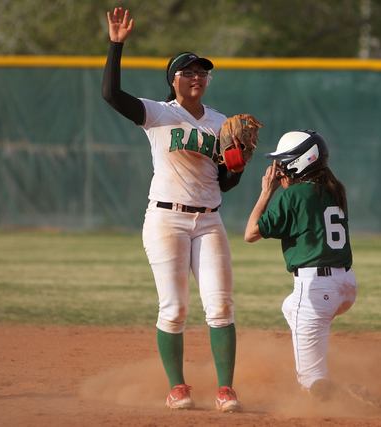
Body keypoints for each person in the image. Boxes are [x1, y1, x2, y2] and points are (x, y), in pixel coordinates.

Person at [102, 7, 244, 412]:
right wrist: (116, 45)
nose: (197, 77)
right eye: (188, 72)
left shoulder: (221, 123)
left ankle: (226, 389)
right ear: (173, 80)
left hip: (209, 219)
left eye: (203, 72)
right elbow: (111, 96)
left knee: (220, 304)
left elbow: (224, 183)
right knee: (175, 307)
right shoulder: (159, 113)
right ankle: (177, 386)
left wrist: (237, 167)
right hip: (165, 219)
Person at [244, 129, 358, 400]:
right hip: (346, 285)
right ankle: (320, 362)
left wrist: (266, 192)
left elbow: (250, 233)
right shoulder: (334, 189)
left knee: (310, 381)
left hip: (317, 288)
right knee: (290, 307)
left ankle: (348, 403)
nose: (279, 169)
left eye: (283, 162)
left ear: (301, 161)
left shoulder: (292, 196)